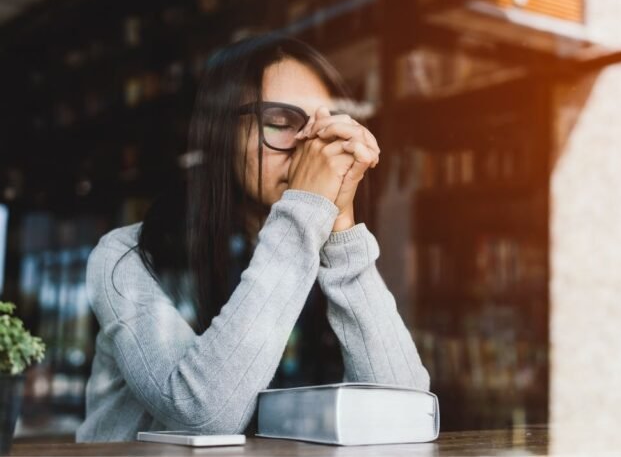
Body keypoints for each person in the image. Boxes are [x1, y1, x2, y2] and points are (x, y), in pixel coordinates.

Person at [75, 35, 430, 442]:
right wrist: (306, 209)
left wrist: (341, 234)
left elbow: (407, 413)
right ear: (221, 134)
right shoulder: (124, 257)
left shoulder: (313, 250)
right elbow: (203, 414)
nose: (312, 151)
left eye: (326, 130)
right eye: (280, 123)